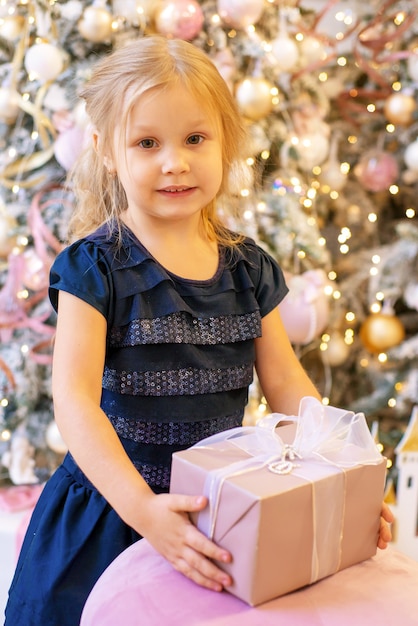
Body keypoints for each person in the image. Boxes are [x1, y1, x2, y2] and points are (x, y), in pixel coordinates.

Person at [5, 36, 393, 626]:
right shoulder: (95, 267)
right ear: (107, 151)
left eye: (194, 139)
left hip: (219, 513)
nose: (175, 162)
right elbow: (74, 402)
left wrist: (340, 478)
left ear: (225, 142)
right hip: (113, 513)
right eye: (146, 143)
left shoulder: (248, 268)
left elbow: (286, 380)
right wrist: (144, 510)